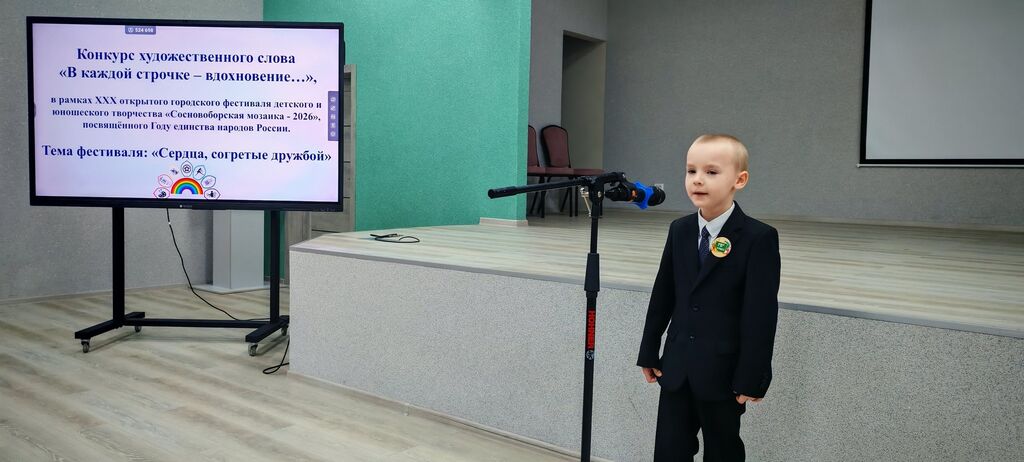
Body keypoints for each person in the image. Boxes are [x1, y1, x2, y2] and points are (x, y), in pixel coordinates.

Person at [637, 134, 781, 461]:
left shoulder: (758, 238)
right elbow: (663, 295)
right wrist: (649, 349)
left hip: (723, 373)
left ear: (739, 180)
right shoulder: (680, 230)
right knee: (670, 450)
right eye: (691, 171)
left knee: (722, 451)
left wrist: (753, 375)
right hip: (676, 369)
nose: (698, 180)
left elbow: (760, 315)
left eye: (711, 172)